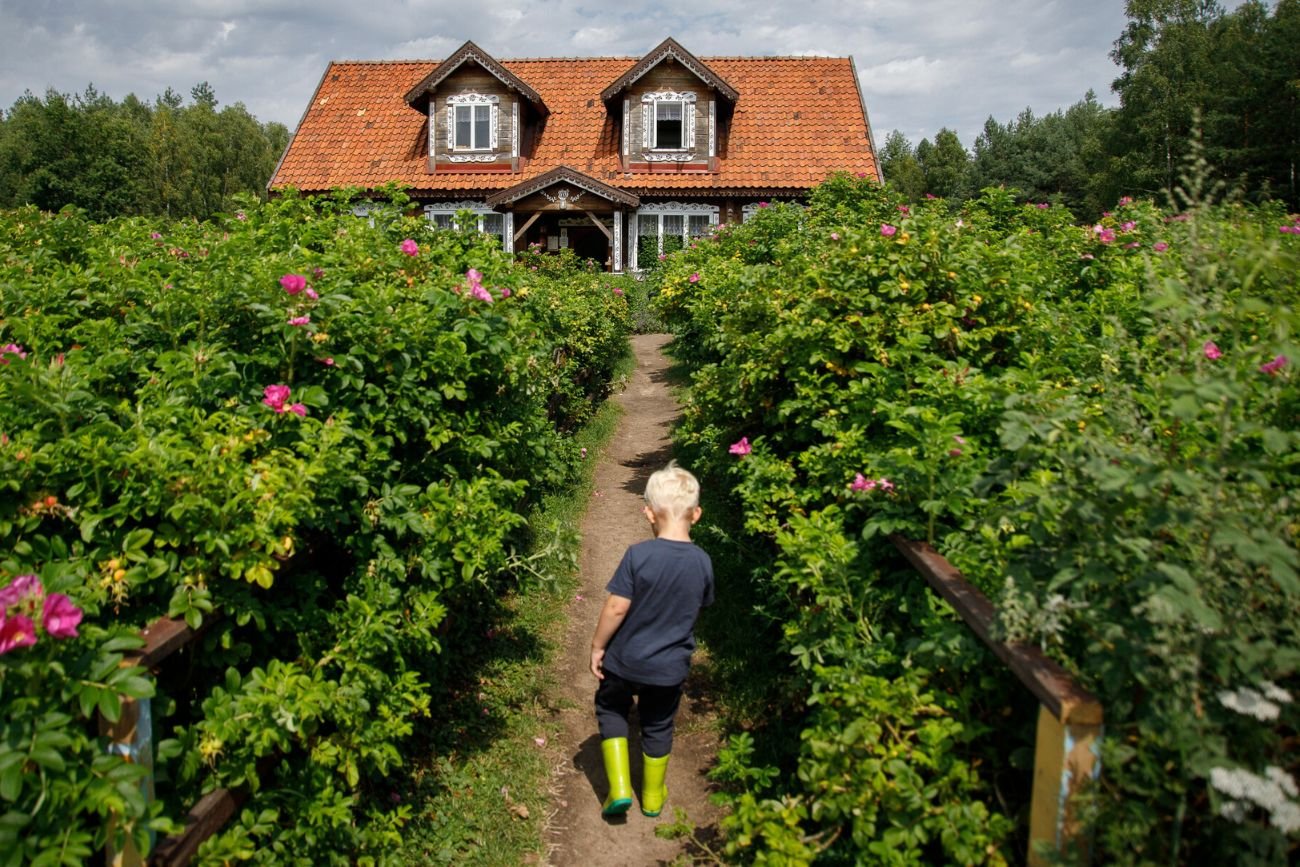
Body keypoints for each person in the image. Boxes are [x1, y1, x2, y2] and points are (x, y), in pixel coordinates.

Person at [590, 461, 714, 818]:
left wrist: (598, 646)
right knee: (658, 723)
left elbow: (616, 608)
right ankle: (654, 795)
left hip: (624, 660)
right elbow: (699, 607)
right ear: (697, 514)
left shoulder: (638, 556)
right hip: (669, 668)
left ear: (648, 513)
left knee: (612, 708)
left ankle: (618, 788)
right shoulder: (702, 562)